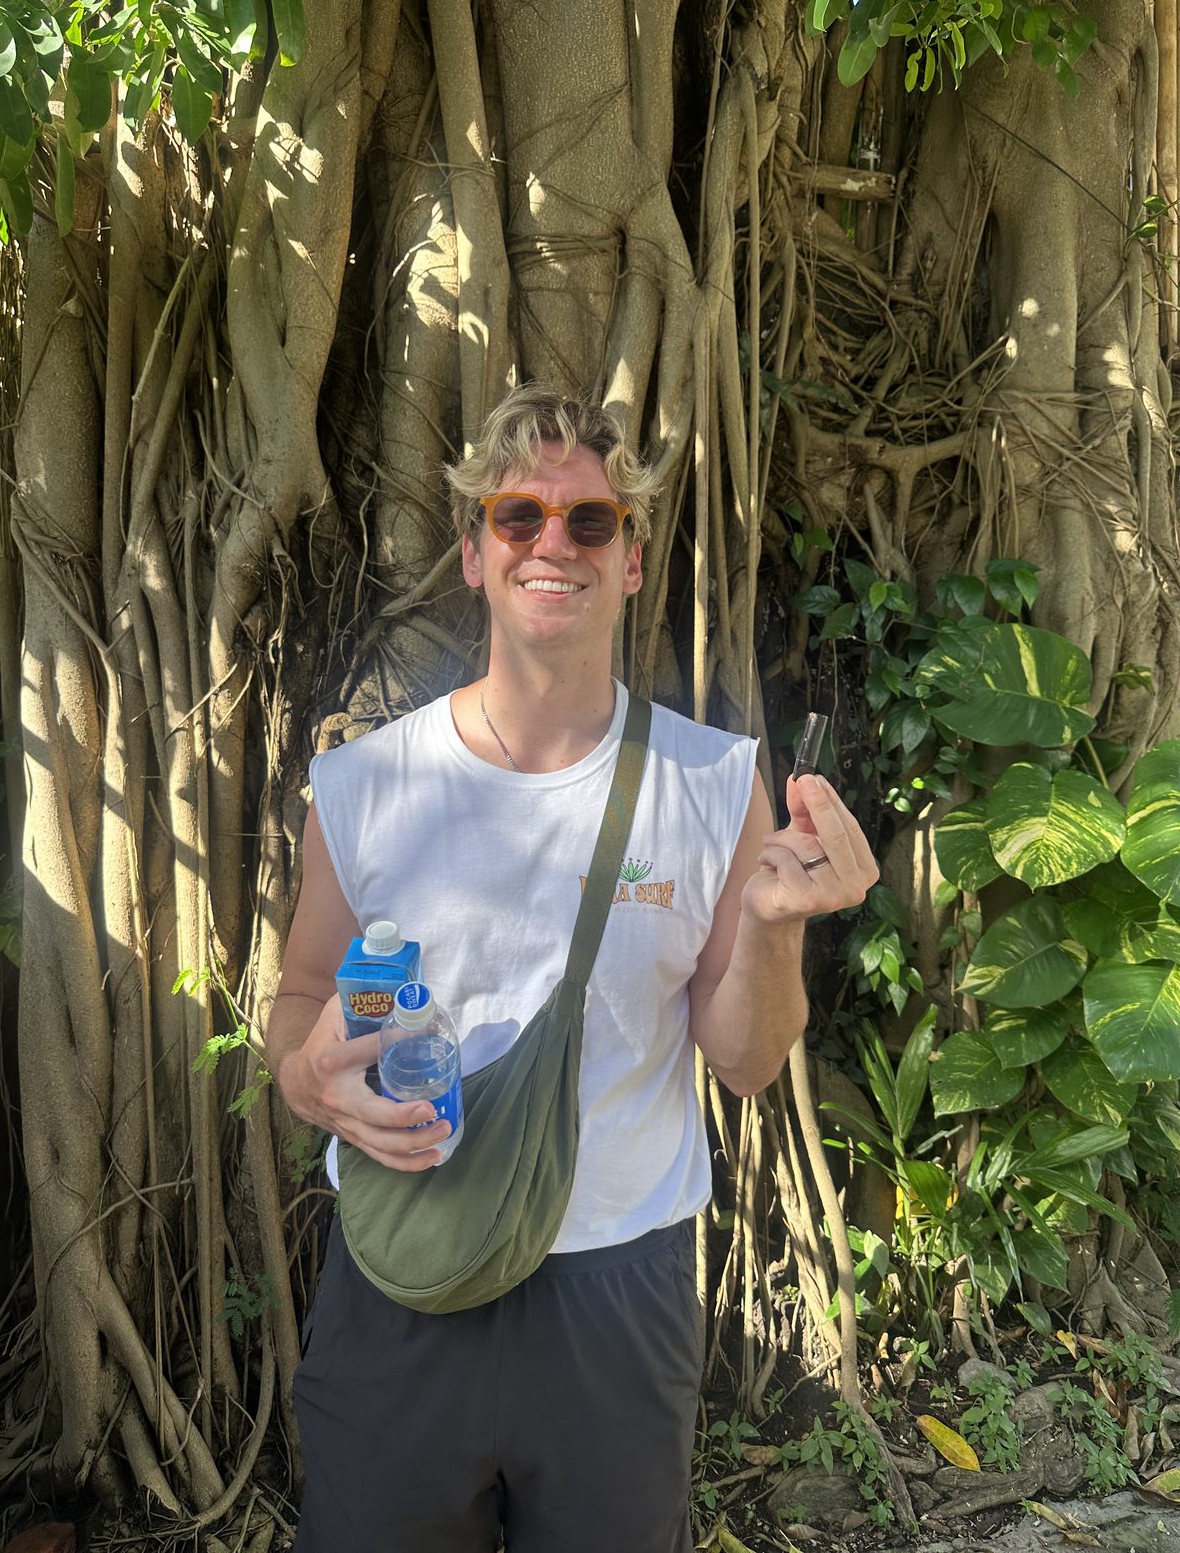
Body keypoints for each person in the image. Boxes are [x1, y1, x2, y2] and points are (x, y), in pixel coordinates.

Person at [267, 384, 879, 1553]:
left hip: (617, 1289)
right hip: (403, 1269)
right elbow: (297, 998)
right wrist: (308, 1081)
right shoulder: (366, 784)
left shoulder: (711, 781)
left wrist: (772, 923)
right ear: (475, 552)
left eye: (589, 522)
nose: (554, 543)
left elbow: (747, 1061)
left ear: (633, 559)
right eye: (519, 517)